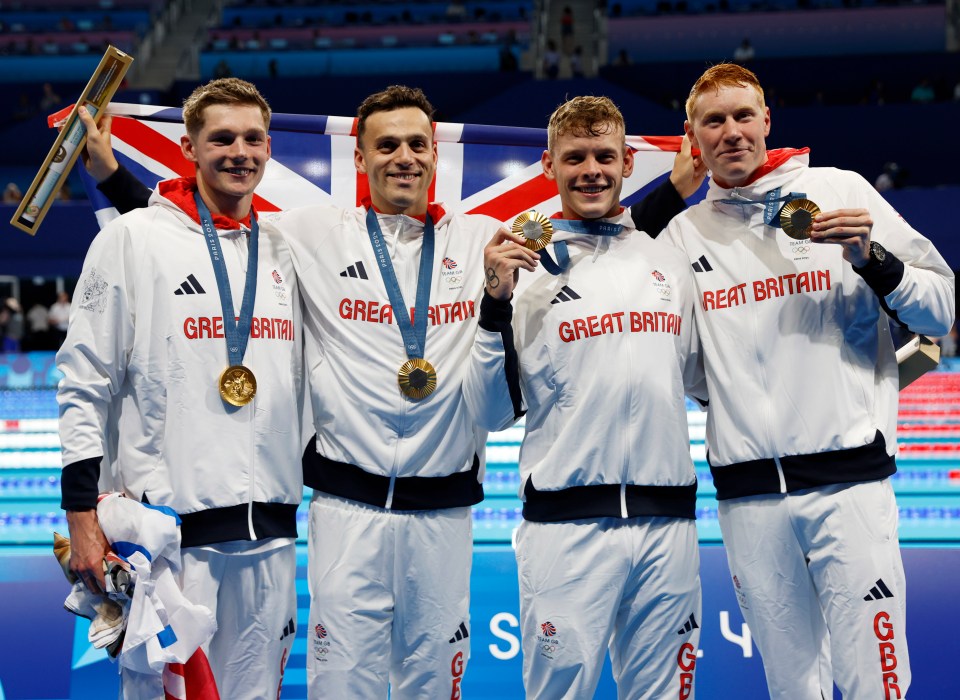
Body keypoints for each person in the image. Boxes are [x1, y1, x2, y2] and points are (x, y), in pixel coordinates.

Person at [80, 85, 701, 698]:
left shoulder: (481, 237)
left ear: (434, 153)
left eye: (416, 144)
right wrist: (112, 177)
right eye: (387, 145)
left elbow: (598, 231)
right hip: (347, 514)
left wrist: (670, 192)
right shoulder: (309, 234)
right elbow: (208, 232)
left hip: (445, 514)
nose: (404, 157)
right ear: (360, 157)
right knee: (342, 690)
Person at [661, 63, 955, 699]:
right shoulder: (683, 235)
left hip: (848, 485)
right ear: (693, 136)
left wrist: (874, 261)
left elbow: (941, 307)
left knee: (875, 684)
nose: (732, 131)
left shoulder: (838, 189)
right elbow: (688, 366)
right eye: (714, 120)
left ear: (767, 120)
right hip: (749, 500)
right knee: (791, 686)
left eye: (744, 115)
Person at [57, 78, 305, 700]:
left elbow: (207, 236)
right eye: (220, 138)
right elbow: (84, 378)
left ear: (270, 147)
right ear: (188, 148)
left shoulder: (286, 248)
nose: (238, 152)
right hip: (171, 544)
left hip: (268, 539)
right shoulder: (129, 240)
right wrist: (81, 518)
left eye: (252, 138)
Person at [464, 96, 707, 699]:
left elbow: (705, 377)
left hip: (667, 525)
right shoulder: (522, 274)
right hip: (565, 530)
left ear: (628, 163)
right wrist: (494, 302)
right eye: (575, 157)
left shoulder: (670, 263)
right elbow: (492, 412)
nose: (591, 170)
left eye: (604, 156)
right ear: (549, 164)